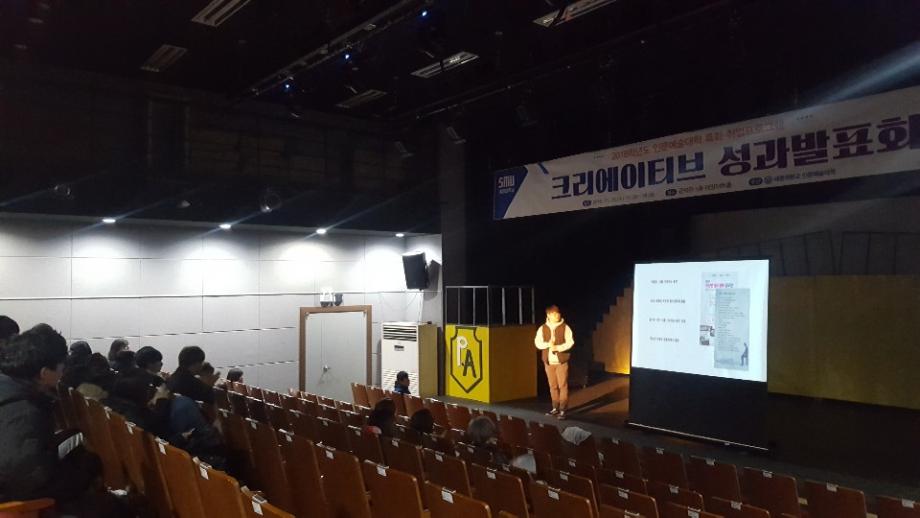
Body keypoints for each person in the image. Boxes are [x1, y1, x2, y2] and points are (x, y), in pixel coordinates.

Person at [0, 324, 101, 504]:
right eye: (61, 369)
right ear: (44, 373)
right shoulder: (23, 410)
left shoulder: (9, 390)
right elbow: (28, 479)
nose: (62, 375)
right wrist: (84, 473)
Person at [534, 305, 574, 420]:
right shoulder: (542, 328)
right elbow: (537, 343)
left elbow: (570, 342)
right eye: (554, 314)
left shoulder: (565, 327)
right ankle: (555, 408)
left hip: (561, 362)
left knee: (563, 385)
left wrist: (558, 348)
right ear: (548, 315)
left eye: (558, 313)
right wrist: (548, 344)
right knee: (553, 386)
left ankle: (563, 410)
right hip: (548, 362)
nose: (557, 315)